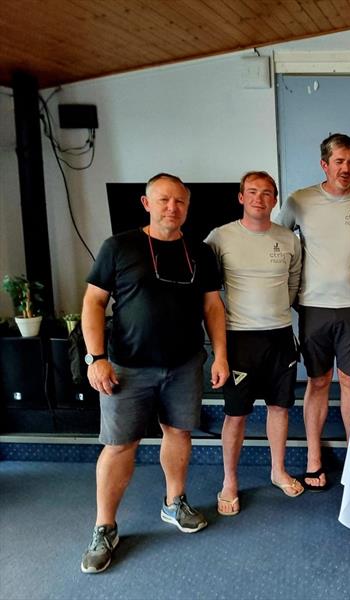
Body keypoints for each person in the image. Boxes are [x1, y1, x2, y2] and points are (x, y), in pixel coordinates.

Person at [80, 173, 229, 573]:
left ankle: (174, 502)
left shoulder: (199, 252)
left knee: (178, 433)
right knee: (119, 446)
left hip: (184, 364)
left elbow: (212, 307)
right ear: (147, 203)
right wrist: (96, 358)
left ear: (187, 206)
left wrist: (219, 355)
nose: (171, 208)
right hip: (126, 367)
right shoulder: (119, 246)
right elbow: (93, 303)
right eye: (163, 200)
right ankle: (104, 527)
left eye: (179, 201)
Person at [276, 133, 350, 491]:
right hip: (313, 307)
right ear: (324, 164)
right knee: (317, 381)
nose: (346, 169)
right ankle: (314, 459)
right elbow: (277, 241)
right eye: (339, 162)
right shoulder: (299, 200)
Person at [205, 171, 304, 515]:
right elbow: (208, 290)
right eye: (252, 192)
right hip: (239, 339)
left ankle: (278, 470)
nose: (260, 199)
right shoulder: (220, 237)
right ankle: (229, 480)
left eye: (267, 193)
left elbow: (293, 283)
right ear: (241, 198)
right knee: (236, 414)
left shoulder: (288, 239)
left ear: (275, 199)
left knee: (280, 407)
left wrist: (275, 313)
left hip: (279, 336)